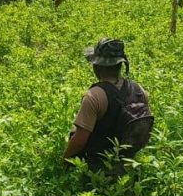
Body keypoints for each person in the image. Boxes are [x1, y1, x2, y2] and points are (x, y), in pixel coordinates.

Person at [63, 38, 152, 174]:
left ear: (96, 67)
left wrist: (63, 162)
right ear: (121, 65)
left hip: (97, 173)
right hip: (129, 169)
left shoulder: (94, 96)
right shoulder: (139, 91)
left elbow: (79, 142)